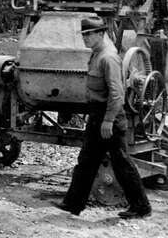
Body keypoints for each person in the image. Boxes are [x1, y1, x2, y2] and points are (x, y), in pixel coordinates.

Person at [54, 16, 152, 219]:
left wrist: (108, 121)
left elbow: (117, 94)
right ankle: (73, 204)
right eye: (83, 35)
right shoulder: (96, 55)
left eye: (89, 34)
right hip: (97, 115)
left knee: (121, 162)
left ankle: (141, 207)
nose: (85, 39)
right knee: (87, 161)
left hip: (110, 118)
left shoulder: (108, 57)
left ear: (101, 34)